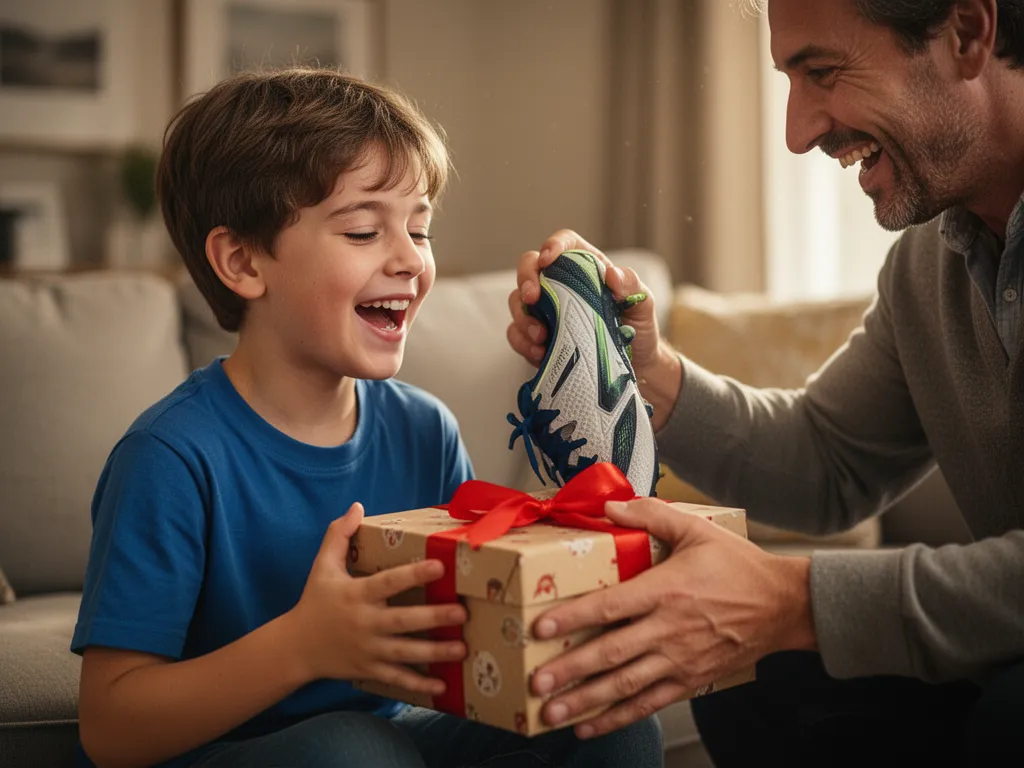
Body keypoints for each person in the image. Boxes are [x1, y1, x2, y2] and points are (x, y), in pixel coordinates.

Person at [71, 68, 663, 768]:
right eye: (362, 231)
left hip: (392, 743)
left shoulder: (426, 429)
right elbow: (110, 728)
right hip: (227, 753)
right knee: (355, 751)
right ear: (241, 261)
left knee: (607, 714)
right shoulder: (170, 456)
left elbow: (465, 643)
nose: (411, 258)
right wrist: (303, 646)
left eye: (420, 228)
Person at [506, 0, 1024, 764]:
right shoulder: (929, 263)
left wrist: (791, 600)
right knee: (761, 678)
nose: (797, 131)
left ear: (968, 34)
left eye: (823, 72)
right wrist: (650, 372)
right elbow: (828, 459)